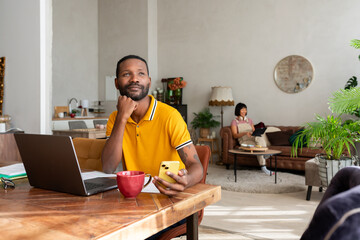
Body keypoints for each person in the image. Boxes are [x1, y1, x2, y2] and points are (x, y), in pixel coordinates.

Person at [101, 54, 203, 197]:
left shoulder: (170, 116)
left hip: (169, 195)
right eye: (126, 74)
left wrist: (186, 181)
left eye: (140, 73)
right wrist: (122, 118)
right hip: (135, 196)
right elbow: (108, 167)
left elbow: (196, 165)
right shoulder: (115, 118)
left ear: (148, 81)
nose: (134, 79)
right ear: (117, 83)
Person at [230, 102, 272, 175]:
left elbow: (253, 130)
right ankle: (264, 166)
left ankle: (265, 154)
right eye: (242, 110)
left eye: (245, 110)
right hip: (244, 141)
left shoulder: (249, 120)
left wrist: (255, 132)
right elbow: (235, 135)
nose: (244, 111)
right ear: (238, 110)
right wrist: (245, 133)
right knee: (257, 147)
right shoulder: (234, 122)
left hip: (252, 137)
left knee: (259, 138)